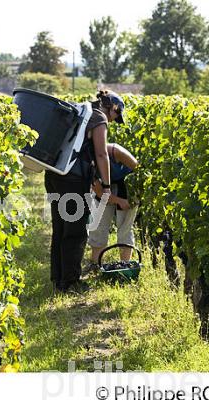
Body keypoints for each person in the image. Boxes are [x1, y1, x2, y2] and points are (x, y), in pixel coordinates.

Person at [45, 90, 125, 293]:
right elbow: (100, 153)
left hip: (54, 174)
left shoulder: (81, 109)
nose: (114, 121)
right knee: (76, 231)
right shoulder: (98, 117)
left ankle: (58, 279)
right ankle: (71, 283)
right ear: (113, 107)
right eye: (116, 116)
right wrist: (106, 186)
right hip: (73, 179)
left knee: (60, 228)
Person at [87, 143, 139, 269]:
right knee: (98, 223)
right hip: (105, 187)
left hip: (127, 183)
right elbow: (100, 192)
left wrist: (133, 197)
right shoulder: (87, 163)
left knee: (125, 227)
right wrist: (119, 201)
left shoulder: (116, 151)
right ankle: (95, 264)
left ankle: (125, 265)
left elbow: (138, 170)